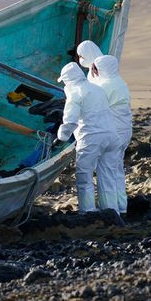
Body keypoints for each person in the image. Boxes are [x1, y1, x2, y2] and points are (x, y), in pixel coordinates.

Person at [56, 63, 120, 212]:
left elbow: (70, 121)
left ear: (69, 80)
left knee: (84, 178)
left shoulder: (75, 93)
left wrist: (61, 138)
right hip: (111, 136)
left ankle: (88, 211)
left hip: (91, 138)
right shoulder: (98, 89)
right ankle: (112, 211)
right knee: (107, 176)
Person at [88, 55, 132, 214]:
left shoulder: (104, 87)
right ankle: (121, 206)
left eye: (95, 69)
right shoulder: (120, 83)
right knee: (117, 171)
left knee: (105, 172)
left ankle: (110, 211)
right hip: (124, 133)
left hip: (112, 135)